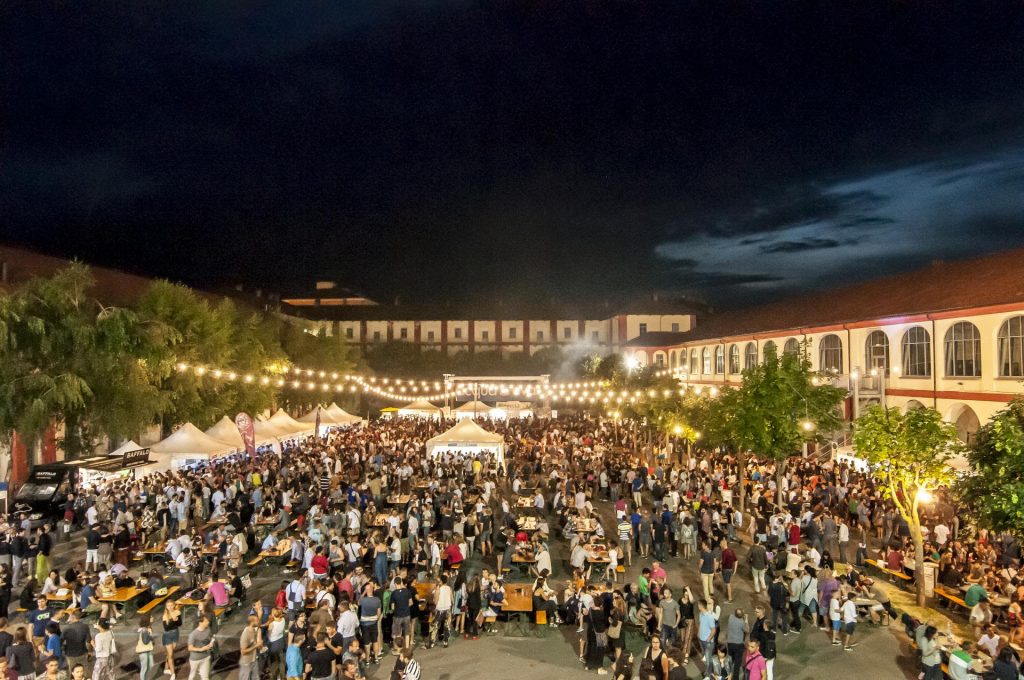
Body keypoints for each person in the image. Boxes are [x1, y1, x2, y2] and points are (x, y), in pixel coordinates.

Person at [187, 615, 215, 680]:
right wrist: (201, 649)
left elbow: (209, 639)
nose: (208, 622)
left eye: (208, 621)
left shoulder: (208, 629)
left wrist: (211, 643)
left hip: (206, 657)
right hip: (195, 659)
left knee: (205, 677)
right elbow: (190, 648)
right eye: (206, 621)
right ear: (200, 622)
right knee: (192, 676)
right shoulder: (193, 634)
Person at [162, 599, 183, 678]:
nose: (170, 607)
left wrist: (176, 620)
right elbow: (166, 628)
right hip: (167, 636)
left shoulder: (177, 612)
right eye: (168, 606)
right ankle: (173, 673)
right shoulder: (165, 615)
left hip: (175, 634)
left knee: (170, 653)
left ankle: (166, 667)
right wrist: (173, 621)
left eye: (171, 605)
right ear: (166, 607)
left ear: (174, 605)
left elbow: (180, 624)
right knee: (170, 655)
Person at [238, 615, 262, 680]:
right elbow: (243, 652)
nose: (258, 622)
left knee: (256, 678)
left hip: (254, 660)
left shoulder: (254, 629)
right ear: (252, 622)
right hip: (246, 662)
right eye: (257, 620)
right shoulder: (245, 634)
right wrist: (256, 646)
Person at [136, 614, 156, 680]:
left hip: (148, 650)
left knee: (151, 665)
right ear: (147, 620)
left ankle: (145, 678)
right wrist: (151, 638)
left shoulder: (148, 628)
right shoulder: (144, 630)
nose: (153, 618)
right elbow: (145, 642)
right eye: (151, 617)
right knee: (144, 668)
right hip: (143, 651)